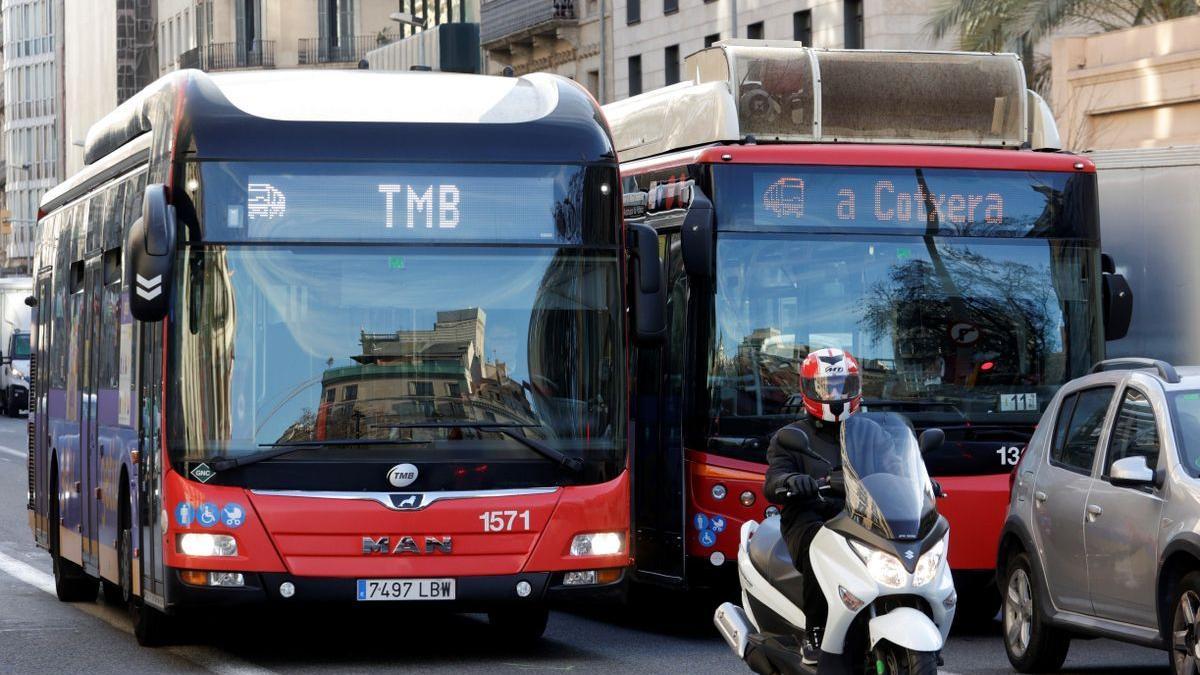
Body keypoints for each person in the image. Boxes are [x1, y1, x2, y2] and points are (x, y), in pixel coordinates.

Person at [763, 347, 862, 666]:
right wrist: (792, 481)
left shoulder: (869, 430)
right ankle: (815, 632)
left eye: (842, 386)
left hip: (862, 518)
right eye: (826, 388)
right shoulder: (790, 436)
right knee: (822, 552)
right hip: (810, 517)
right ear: (808, 390)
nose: (835, 394)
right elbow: (773, 479)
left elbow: (895, 463)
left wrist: (923, 481)